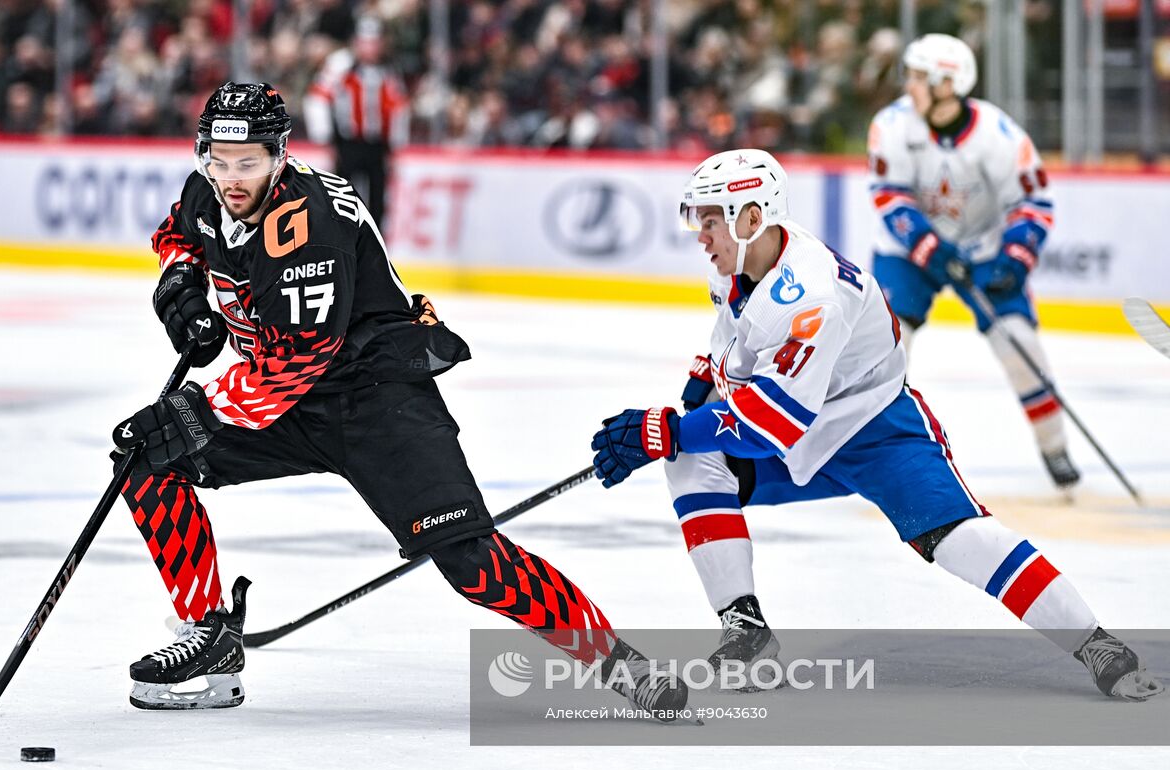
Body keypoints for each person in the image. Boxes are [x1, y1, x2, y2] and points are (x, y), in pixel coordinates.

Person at [110, 81, 686, 715]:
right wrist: (183, 287)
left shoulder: (310, 228)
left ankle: (617, 661)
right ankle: (209, 634)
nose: (230, 178)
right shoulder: (208, 188)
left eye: (247, 163)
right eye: (218, 161)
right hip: (289, 400)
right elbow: (179, 234)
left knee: (473, 564)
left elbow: (295, 363)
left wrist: (195, 410)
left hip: (376, 399)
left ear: (279, 155)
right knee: (148, 463)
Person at [589, 149, 1163, 702]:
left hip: (874, 431)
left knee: (958, 540)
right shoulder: (742, 265)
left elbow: (767, 425)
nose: (700, 235)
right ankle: (748, 633)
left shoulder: (812, 296)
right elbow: (735, 351)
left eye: (710, 220)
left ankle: (1096, 644)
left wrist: (667, 429)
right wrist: (692, 398)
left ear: (751, 218)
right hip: (800, 426)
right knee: (690, 459)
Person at [867, 34, 1078, 492]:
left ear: (950, 83)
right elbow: (889, 195)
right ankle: (868, 449)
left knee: (1019, 344)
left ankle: (1054, 445)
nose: (910, 85)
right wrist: (933, 252)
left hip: (983, 249)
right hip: (909, 253)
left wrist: (1014, 259)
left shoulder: (998, 135)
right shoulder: (893, 125)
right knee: (885, 347)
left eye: (921, 77)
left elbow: (1033, 202)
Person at [303, 16, 408, 228]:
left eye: (374, 42)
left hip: (377, 144)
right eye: (365, 42)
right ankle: (341, 240)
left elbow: (398, 106)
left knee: (377, 198)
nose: (370, 48)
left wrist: (396, 143)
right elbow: (317, 97)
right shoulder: (341, 64)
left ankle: (376, 247)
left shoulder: (389, 68)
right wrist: (324, 136)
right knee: (342, 194)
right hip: (348, 141)